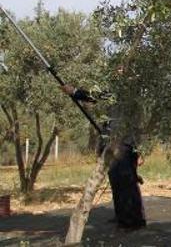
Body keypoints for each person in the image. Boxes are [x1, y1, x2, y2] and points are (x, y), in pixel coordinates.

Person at [62, 83, 147, 230]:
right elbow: (97, 98)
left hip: (124, 145)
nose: (118, 69)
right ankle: (123, 218)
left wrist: (75, 92)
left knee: (126, 184)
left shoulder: (127, 91)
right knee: (117, 183)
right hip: (114, 143)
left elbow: (94, 96)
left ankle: (132, 222)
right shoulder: (119, 92)